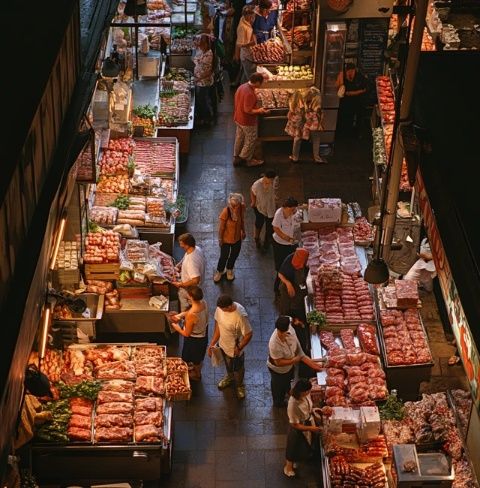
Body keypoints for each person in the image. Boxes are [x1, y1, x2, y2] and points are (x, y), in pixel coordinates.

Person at [268, 316, 323, 407]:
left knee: (287, 382)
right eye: (280, 332)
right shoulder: (274, 344)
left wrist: (318, 367)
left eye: (284, 332)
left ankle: (287, 391)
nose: (282, 334)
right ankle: (278, 403)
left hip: (289, 367)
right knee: (278, 387)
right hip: (278, 370)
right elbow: (278, 362)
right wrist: (294, 360)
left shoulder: (289, 325)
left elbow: (300, 354)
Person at [208, 294, 253, 399]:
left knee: (238, 368)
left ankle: (240, 385)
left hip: (235, 349)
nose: (220, 311)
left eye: (223, 309)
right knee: (228, 364)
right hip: (223, 344)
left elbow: (249, 334)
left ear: (229, 306)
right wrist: (212, 343)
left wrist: (240, 347)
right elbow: (218, 326)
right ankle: (230, 377)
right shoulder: (220, 309)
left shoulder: (240, 315)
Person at [284, 378, 322, 478]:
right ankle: (288, 467)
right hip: (298, 428)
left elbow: (308, 406)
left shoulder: (305, 395)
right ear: (303, 391)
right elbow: (294, 424)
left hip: (308, 422)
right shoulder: (293, 404)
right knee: (293, 447)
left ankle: (300, 458)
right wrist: (310, 428)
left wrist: (313, 410)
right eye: (308, 391)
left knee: (305, 444)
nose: (309, 392)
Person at [169, 286, 209, 381]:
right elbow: (189, 312)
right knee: (198, 356)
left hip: (194, 339)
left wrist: (177, 328)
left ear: (191, 297)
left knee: (195, 359)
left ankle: (197, 374)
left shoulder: (192, 314)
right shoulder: (204, 303)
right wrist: (181, 315)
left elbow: (186, 334)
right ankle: (195, 368)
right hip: (203, 334)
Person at [233, 72, 270, 167]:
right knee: (251, 139)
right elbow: (248, 110)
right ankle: (245, 159)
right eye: (261, 83)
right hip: (247, 121)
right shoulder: (249, 93)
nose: (261, 85)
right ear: (257, 82)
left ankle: (236, 154)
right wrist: (260, 110)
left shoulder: (242, 86)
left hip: (238, 117)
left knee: (239, 137)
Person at [214, 193, 246, 282]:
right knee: (224, 256)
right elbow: (221, 228)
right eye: (232, 205)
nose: (234, 207)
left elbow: (242, 220)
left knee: (234, 255)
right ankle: (220, 271)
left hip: (237, 238)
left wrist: (243, 231)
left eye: (236, 205)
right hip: (226, 239)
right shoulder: (226, 212)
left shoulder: (241, 208)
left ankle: (229, 269)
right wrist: (220, 239)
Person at [289, 87, 326, 163]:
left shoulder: (300, 99)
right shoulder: (317, 99)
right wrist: (321, 123)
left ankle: (295, 157)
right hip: (314, 121)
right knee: (316, 139)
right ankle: (317, 158)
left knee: (298, 138)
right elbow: (319, 113)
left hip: (304, 119)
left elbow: (296, 110)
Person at [272, 197, 300, 290]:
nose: (293, 211)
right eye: (291, 209)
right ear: (285, 207)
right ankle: (277, 286)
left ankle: (290, 282)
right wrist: (287, 238)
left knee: (292, 263)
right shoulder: (279, 214)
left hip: (293, 243)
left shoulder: (296, 212)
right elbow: (276, 228)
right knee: (281, 266)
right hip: (280, 244)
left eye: (294, 209)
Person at [173, 233, 206, 311]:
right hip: (192, 286)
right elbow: (185, 256)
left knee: (186, 306)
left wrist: (181, 284)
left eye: (182, 244)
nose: (180, 246)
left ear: (187, 245)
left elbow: (196, 280)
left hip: (189, 289)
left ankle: (186, 317)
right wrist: (178, 265)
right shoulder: (196, 248)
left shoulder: (191, 262)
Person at [336, 62, 367, 135]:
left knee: (356, 116)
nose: (350, 73)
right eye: (348, 71)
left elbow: (365, 89)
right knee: (344, 116)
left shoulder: (360, 77)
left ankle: (355, 133)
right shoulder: (342, 75)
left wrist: (352, 93)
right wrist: (340, 82)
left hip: (357, 101)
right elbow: (337, 86)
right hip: (345, 102)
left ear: (354, 70)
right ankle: (342, 132)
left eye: (352, 71)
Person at [250, 170, 278, 249]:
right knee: (259, 223)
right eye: (267, 181)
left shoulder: (274, 182)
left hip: (270, 207)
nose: (268, 183)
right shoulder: (257, 184)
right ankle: (256, 238)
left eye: (270, 181)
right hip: (259, 207)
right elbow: (252, 190)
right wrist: (253, 201)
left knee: (269, 226)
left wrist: (275, 198)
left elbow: (275, 190)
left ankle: (267, 242)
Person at [278, 248, 309, 317]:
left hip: (298, 283)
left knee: (298, 298)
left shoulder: (305, 260)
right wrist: (288, 283)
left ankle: (294, 312)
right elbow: (280, 274)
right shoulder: (289, 259)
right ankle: (285, 316)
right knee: (285, 302)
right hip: (286, 284)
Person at [193, 34, 215, 126]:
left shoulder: (208, 54)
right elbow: (196, 59)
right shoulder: (203, 51)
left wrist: (198, 78)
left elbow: (208, 72)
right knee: (200, 100)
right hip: (199, 81)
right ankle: (203, 118)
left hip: (203, 82)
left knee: (203, 101)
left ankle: (208, 119)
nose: (199, 46)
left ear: (206, 44)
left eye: (201, 44)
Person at [236, 6, 257, 83]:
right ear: (247, 15)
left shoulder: (245, 22)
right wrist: (251, 43)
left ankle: (240, 92)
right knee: (250, 78)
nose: (253, 18)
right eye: (252, 16)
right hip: (246, 56)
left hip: (248, 54)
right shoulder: (242, 27)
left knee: (245, 77)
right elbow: (239, 44)